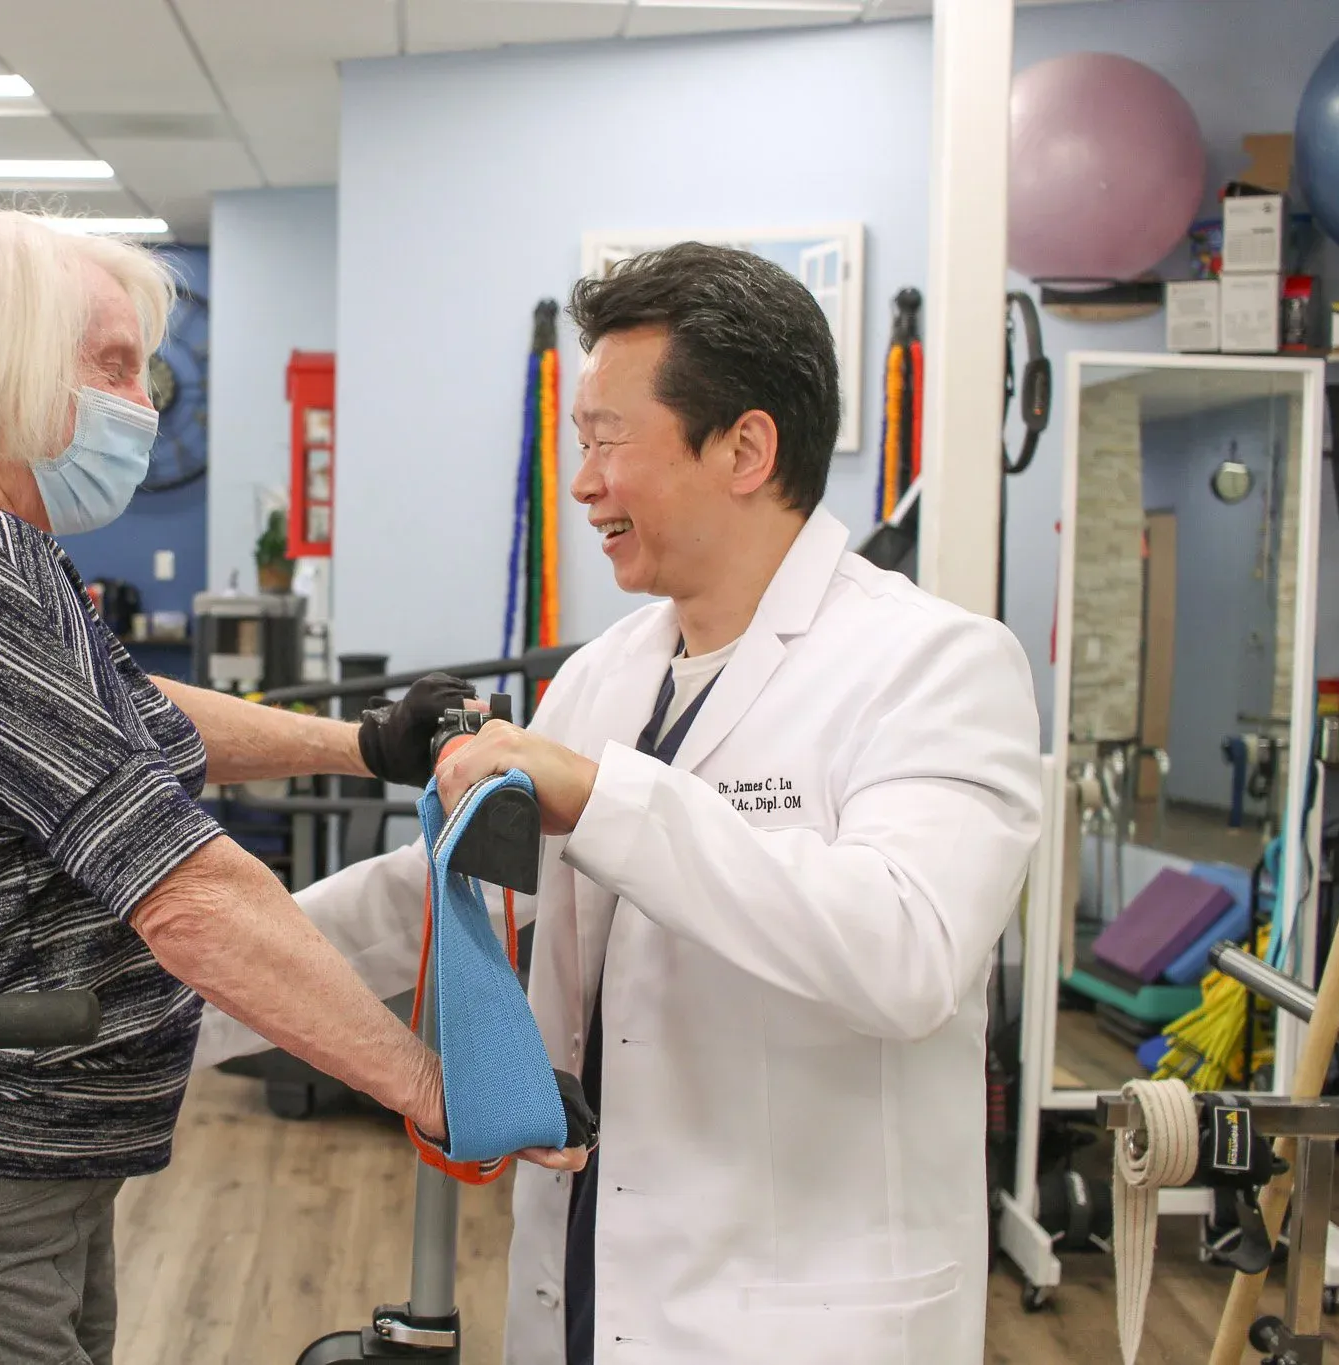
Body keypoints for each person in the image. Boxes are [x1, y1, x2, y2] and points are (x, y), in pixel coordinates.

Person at [0, 208, 581, 1365]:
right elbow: (189, 895)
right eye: (107, 365)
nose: (140, 400)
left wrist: (362, 747)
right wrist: (434, 1086)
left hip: (23, 1129)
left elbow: (132, 718)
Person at [196, 242, 1044, 1365]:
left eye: (605, 441)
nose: (582, 482)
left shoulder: (933, 665)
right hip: (585, 1290)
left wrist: (601, 796)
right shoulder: (609, 671)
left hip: (799, 1316)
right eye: (575, 444)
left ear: (744, 447)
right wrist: (167, 996)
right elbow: (435, 894)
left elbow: (905, 955)